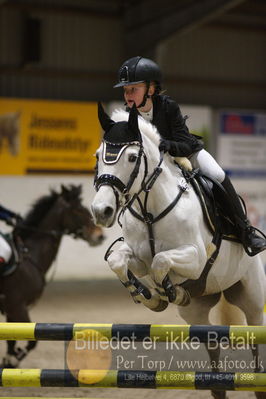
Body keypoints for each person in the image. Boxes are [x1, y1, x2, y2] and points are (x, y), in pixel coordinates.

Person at [113, 55, 266, 257]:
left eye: (133, 89)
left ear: (150, 89)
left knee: (217, 175)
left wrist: (164, 145)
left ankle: (245, 231)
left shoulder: (168, 107)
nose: (128, 95)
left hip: (187, 154)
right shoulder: (128, 116)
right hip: (159, 166)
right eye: (125, 90)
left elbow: (185, 144)